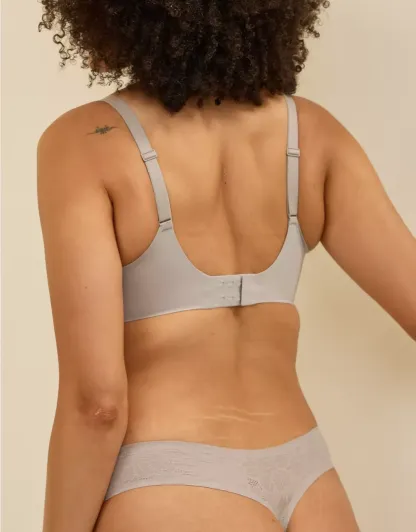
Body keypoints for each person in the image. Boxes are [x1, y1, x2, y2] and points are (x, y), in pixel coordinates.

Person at [37, 1, 416, 532]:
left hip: (171, 486)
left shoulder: (85, 143)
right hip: (311, 482)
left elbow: (96, 405)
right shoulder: (313, 134)